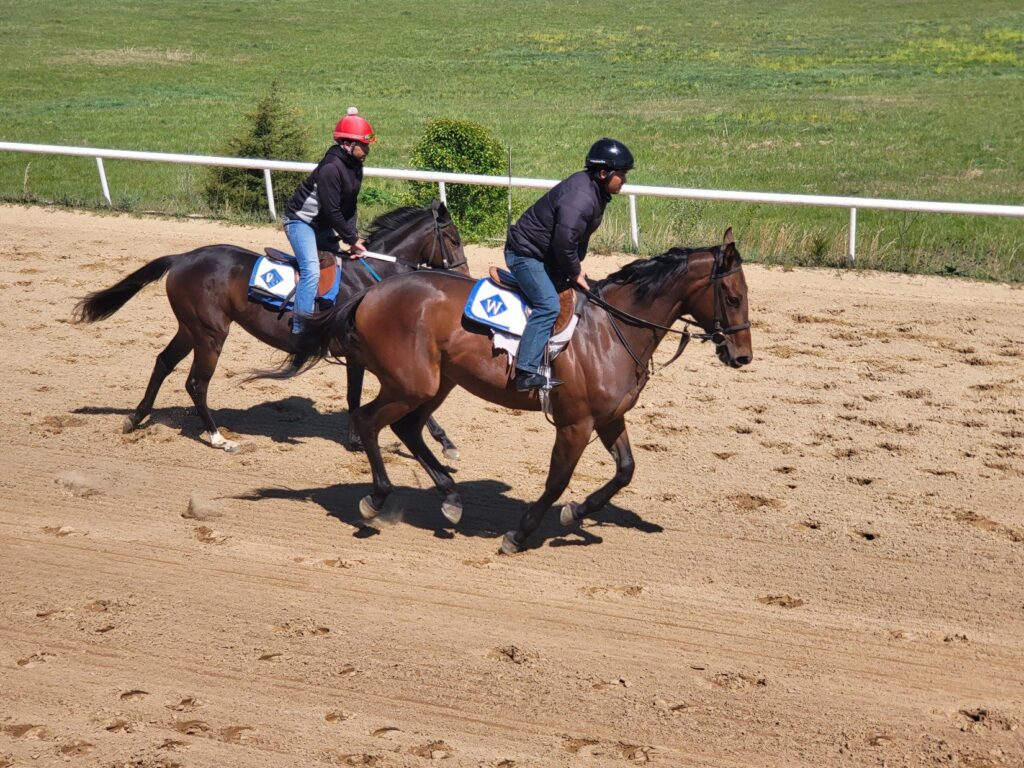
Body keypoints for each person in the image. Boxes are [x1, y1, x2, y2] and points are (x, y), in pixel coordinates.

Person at [504, 137, 634, 391]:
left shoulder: (594, 190)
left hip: (545, 255)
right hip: (525, 256)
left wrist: (574, 270)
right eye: (622, 173)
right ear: (604, 173)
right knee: (548, 305)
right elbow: (564, 242)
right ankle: (525, 371)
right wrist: (574, 271)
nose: (625, 179)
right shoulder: (582, 197)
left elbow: (570, 241)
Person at [282, 107, 375, 334]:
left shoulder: (355, 167)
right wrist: (351, 238)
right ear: (347, 144)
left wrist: (353, 237)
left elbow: (349, 206)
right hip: (300, 222)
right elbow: (333, 211)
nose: (367, 149)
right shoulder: (331, 168)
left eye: (367, 144)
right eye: (363, 145)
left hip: (321, 225)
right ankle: (300, 328)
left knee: (341, 265)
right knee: (312, 270)